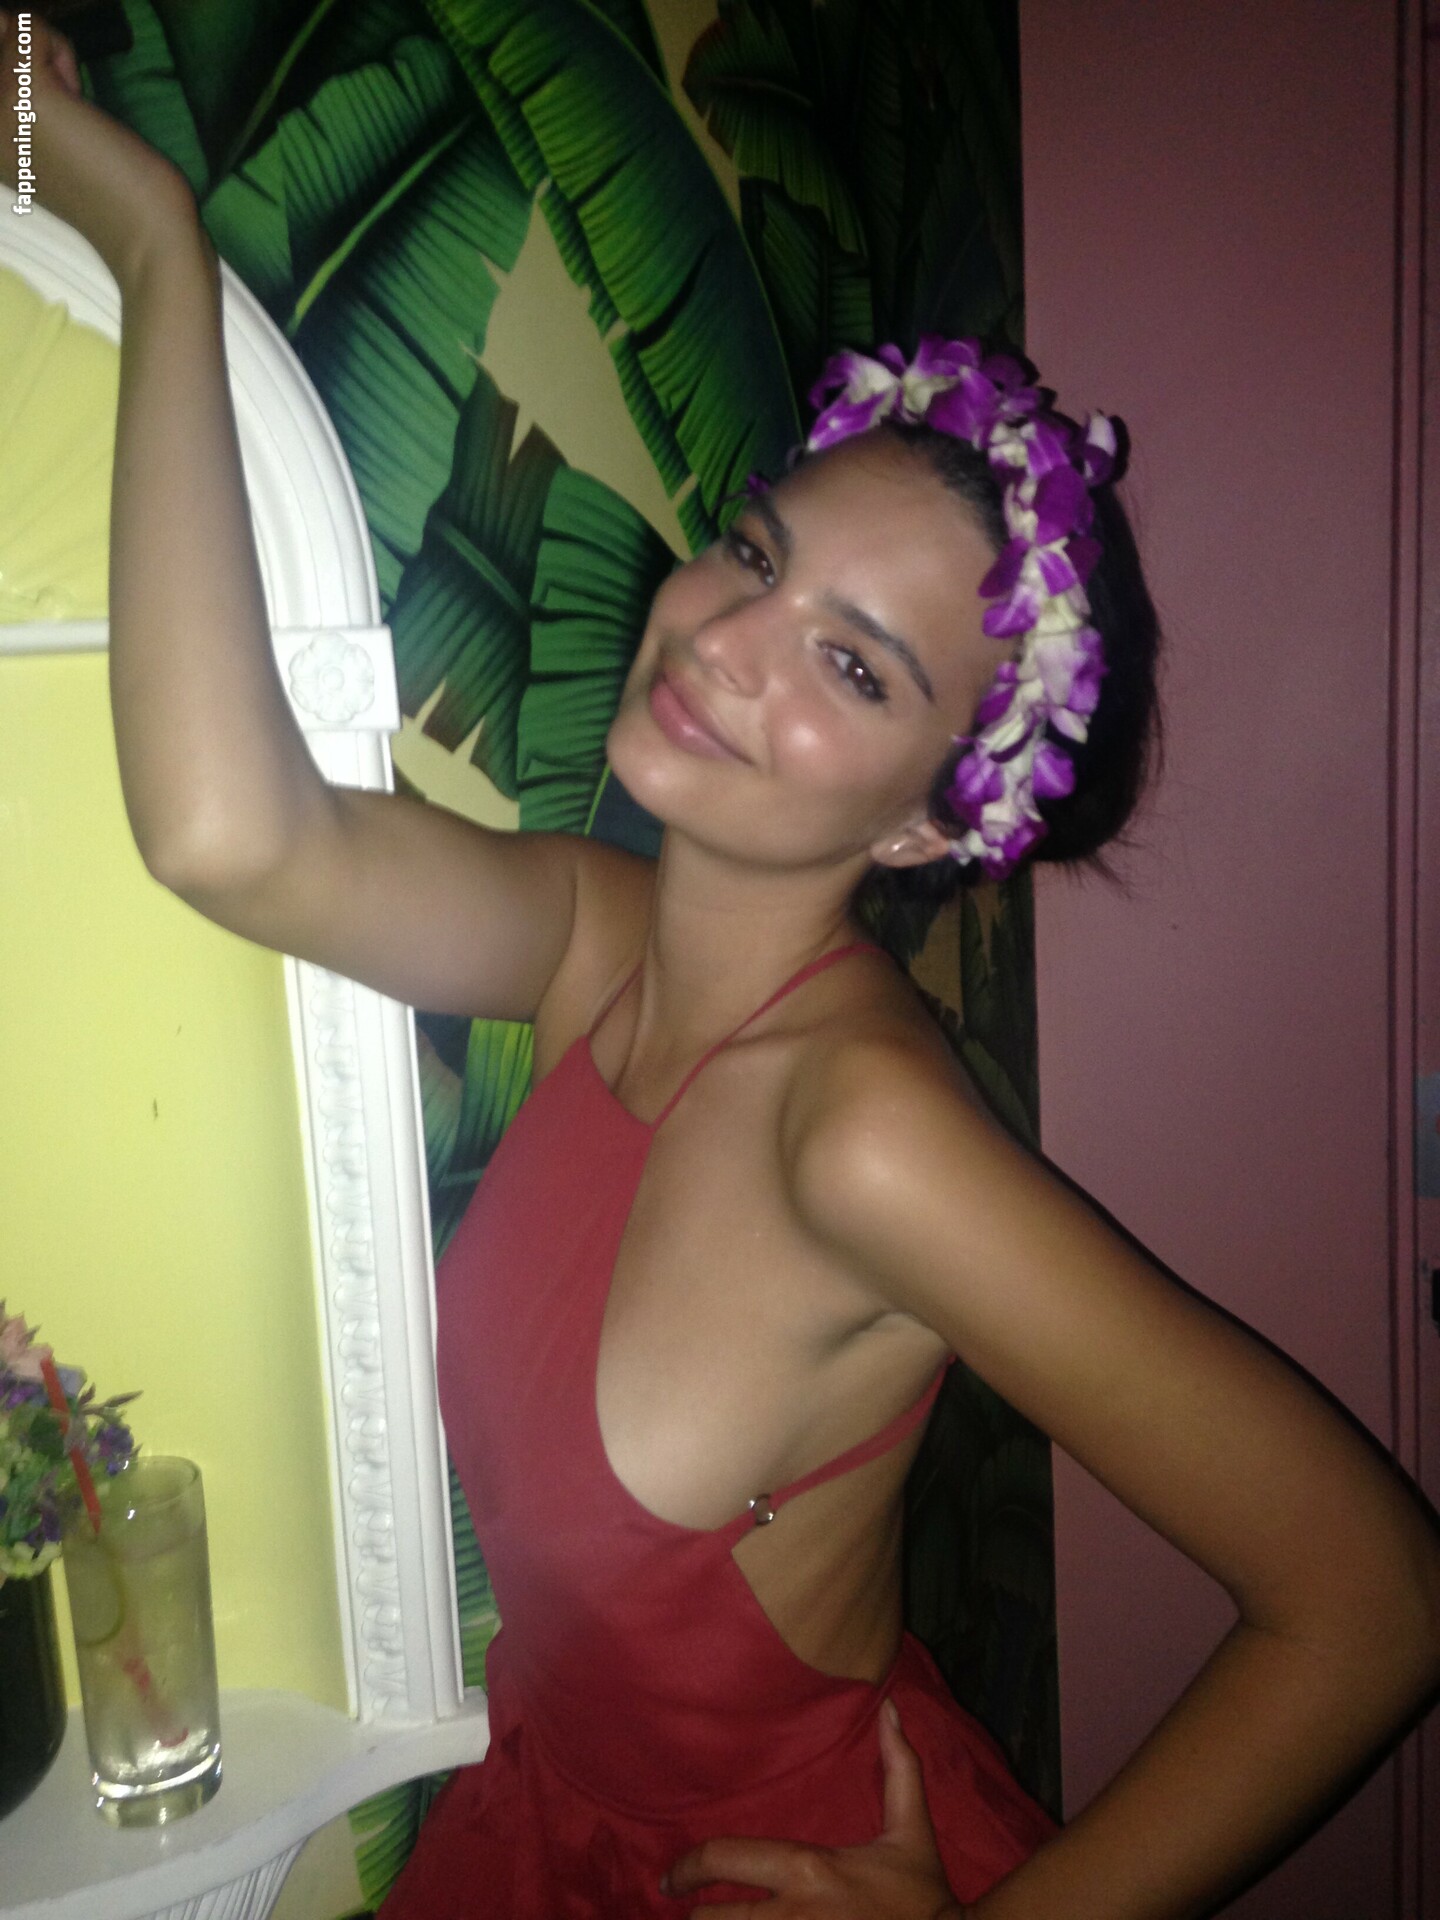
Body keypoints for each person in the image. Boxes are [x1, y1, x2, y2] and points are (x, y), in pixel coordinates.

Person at [6, 15, 1439, 1918]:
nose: (726, 639)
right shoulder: (593, 942)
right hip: (545, 1822)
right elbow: (231, 838)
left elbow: (1370, 1598)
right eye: (760, 555)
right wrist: (146, 233)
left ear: (927, 824)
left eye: (852, 665)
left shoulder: (865, 1139)